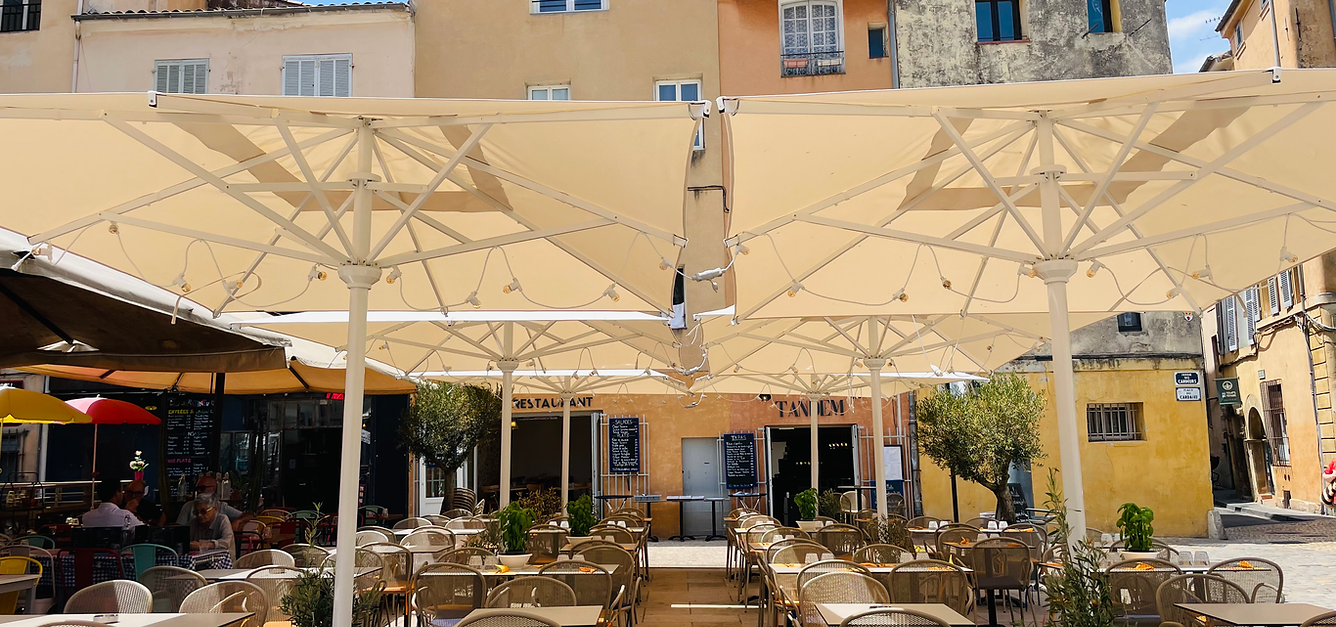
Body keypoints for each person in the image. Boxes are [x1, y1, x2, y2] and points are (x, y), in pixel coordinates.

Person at [176, 474, 250, 528]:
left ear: (214, 509)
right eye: (197, 488)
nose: (198, 491)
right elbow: (179, 528)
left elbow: (249, 516)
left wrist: (238, 521)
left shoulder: (222, 510)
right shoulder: (189, 507)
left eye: (202, 488)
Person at [188, 493, 235, 560]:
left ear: (215, 509)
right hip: (200, 562)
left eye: (203, 511)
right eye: (196, 512)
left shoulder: (222, 519)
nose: (199, 515)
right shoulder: (194, 523)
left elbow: (226, 542)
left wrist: (202, 545)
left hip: (223, 563)